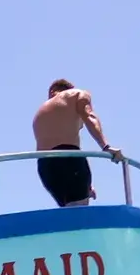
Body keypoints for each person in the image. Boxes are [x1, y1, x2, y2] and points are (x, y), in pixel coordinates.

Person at [32, 79, 121, 208]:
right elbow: (89, 117)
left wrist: (86, 186)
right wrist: (106, 146)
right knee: (80, 214)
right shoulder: (77, 94)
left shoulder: (40, 113)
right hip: (69, 159)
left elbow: (58, 137)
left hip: (45, 167)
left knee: (69, 211)